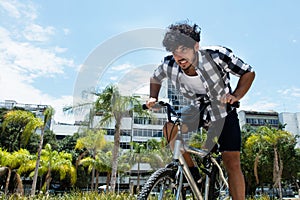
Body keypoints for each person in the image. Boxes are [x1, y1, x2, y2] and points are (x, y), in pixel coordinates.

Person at [146, 21, 255, 200]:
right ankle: (193, 174)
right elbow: (155, 77)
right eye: (174, 52)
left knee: (231, 161)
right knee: (170, 128)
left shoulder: (218, 56)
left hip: (223, 111)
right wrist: (153, 97)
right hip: (197, 109)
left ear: (196, 46)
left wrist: (235, 95)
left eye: (183, 50)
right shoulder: (169, 64)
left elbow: (248, 72)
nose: (179, 57)